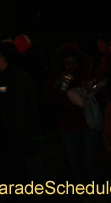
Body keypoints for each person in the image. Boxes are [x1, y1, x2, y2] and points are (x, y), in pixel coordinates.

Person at [0, 41, 41, 184]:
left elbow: (19, 111)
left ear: (4, 56)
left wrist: (15, 139)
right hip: (5, 139)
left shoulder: (16, 78)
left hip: (14, 141)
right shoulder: (2, 76)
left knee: (17, 176)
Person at [45, 43, 102, 183]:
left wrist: (91, 89)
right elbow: (48, 99)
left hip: (87, 125)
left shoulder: (86, 77)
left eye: (74, 63)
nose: (71, 67)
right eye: (68, 63)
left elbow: (99, 98)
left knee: (90, 162)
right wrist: (57, 84)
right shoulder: (58, 79)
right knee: (74, 164)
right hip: (67, 127)